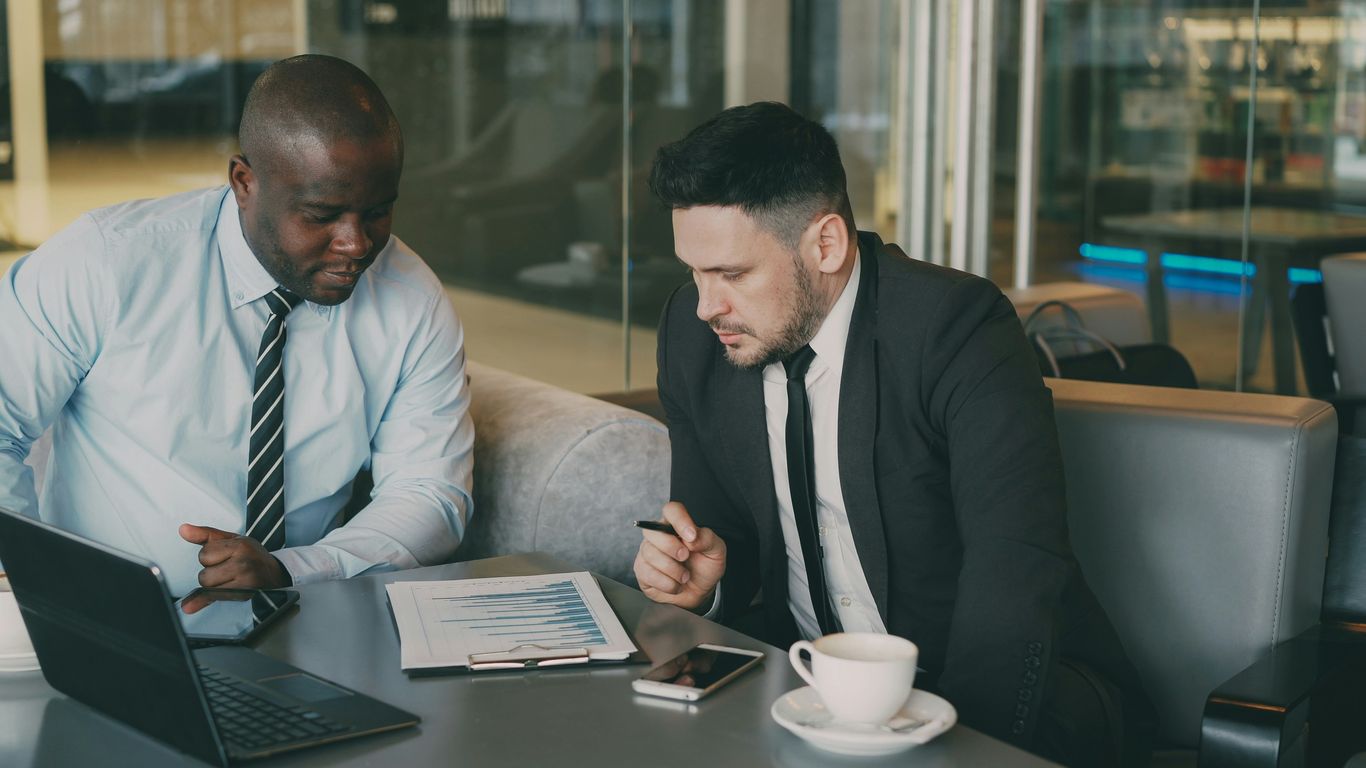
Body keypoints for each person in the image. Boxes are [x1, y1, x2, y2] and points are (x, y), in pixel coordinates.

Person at [633, 102, 1151, 765]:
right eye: (694, 272)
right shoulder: (696, 333)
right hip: (810, 687)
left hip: (985, 694)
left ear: (826, 243)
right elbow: (718, 525)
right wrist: (703, 577)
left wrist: (960, 753)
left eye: (732, 274)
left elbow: (1016, 565)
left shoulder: (956, 328)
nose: (707, 305)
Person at [0, 55, 473, 597]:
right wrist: (33, 591)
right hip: (112, 620)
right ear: (244, 181)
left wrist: (293, 569)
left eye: (378, 212)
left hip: (306, 621)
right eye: (322, 215)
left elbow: (429, 494)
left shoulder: (410, 299)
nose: (356, 244)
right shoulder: (107, 264)